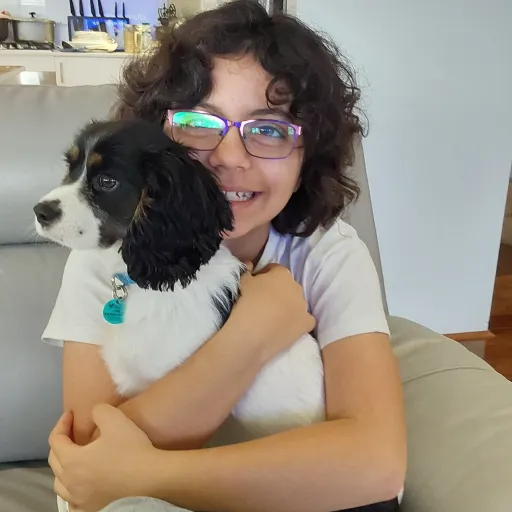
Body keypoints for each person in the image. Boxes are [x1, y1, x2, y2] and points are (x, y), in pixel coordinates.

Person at [45, 1, 406, 511]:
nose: (230, 158)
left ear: (310, 156)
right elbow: (90, 462)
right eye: (198, 122)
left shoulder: (329, 253)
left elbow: (378, 466)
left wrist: (146, 472)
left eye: (270, 129)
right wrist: (251, 336)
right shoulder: (99, 257)